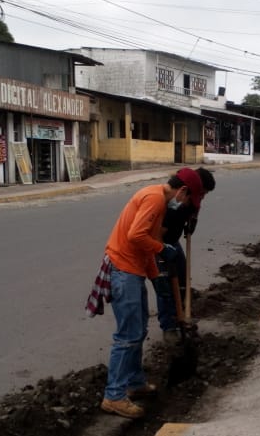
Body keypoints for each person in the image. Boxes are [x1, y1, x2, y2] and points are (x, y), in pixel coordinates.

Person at [86, 168, 205, 419]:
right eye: (188, 199)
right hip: (124, 270)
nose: (184, 205)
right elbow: (136, 236)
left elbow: (146, 245)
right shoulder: (154, 199)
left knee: (138, 330)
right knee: (128, 335)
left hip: (133, 270)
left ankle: (134, 382)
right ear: (182, 190)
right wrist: (162, 248)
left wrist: (155, 275)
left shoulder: (158, 200)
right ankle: (114, 396)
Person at [156, 167, 216, 342]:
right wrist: (162, 253)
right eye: (202, 193)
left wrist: (193, 221)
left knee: (182, 278)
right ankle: (168, 327)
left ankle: (181, 315)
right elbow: (159, 233)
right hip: (159, 244)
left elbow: (196, 208)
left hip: (173, 243)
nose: (202, 197)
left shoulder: (193, 199)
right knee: (165, 285)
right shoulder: (173, 205)